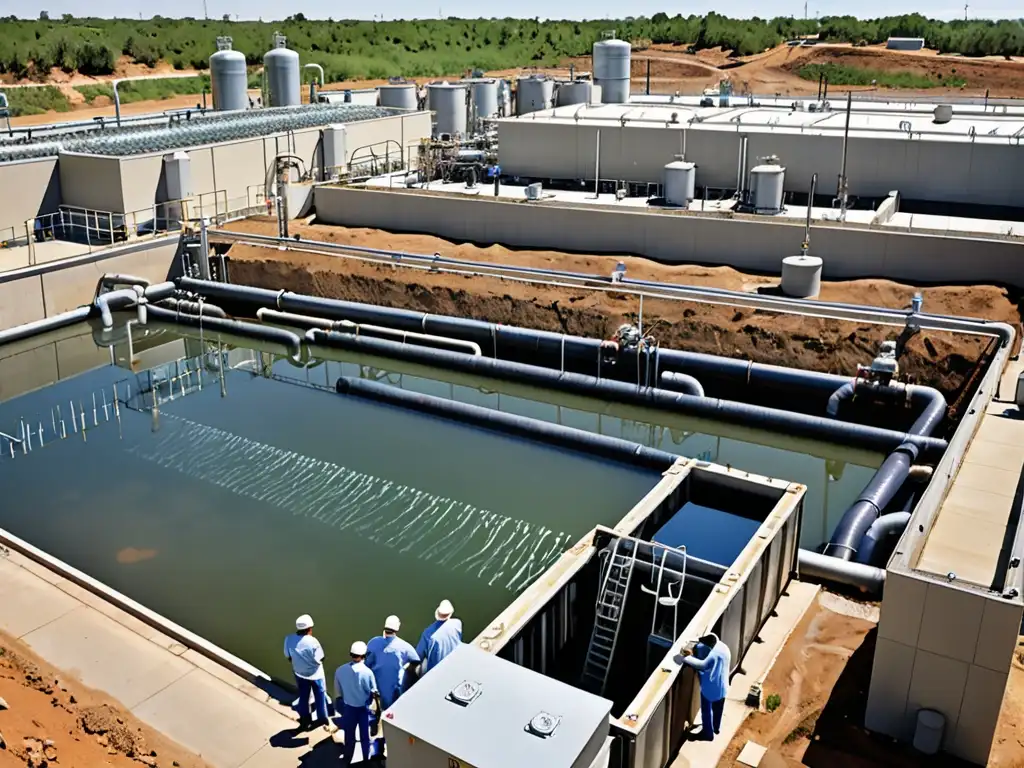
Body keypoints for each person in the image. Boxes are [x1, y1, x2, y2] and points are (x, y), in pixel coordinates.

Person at [681, 632, 731, 742]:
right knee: (718, 708)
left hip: (711, 689)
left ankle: (707, 734)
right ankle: (716, 728)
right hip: (723, 686)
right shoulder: (724, 648)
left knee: (707, 711)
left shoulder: (713, 655)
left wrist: (687, 658)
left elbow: (702, 665)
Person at [335, 641, 379, 765]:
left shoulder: (340, 670)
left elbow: (338, 692)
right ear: (364, 656)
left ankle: (347, 758)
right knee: (365, 736)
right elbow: (374, 692)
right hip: (363, 709)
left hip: (348, 707)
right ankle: (366, 759)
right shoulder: (368, 673)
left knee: (349, 735)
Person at [283, 614, 330, 730]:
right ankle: (322, 719)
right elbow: (321, 658)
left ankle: (305, 719)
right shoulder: (313, 642)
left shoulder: (289, 639)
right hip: (316, 675)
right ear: (309, 629)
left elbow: (288, 657)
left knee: (304, 697)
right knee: (320, 696)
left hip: (299, 674)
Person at [366, 615, 420, 710]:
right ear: (397, 628)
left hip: (376, 686)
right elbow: (416, 660)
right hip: (395, 687)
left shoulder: (373, 642)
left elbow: (367, 663)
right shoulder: (405, 647)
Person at [415, 599, 463, 676]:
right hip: (454, 659)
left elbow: (418, 655)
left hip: (436, 669)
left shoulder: (428, 633)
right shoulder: (457, 623)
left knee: (418, 668)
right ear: (450, 613)